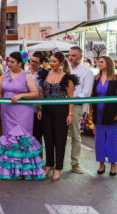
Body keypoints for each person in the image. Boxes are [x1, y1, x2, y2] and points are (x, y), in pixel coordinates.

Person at [0, 52, 44, 181]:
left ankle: (24, 170)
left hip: (22, 112)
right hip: (7, 112)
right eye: (8, 61)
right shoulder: (5, 74)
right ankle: (10, 170)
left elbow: (35, 93)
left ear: (20, 63)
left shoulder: (27, 76)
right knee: (9, 139)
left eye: (12, 62)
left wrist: (21, 95)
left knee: (21, 139)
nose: (9, 64)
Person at [38, 52, 77, 181]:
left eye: (55, 61)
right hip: (47, 110)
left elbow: (71, 97)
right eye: (51, 61)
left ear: (61, 63)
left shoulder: (67, 77)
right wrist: (40, 108)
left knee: (60, 140)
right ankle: (49, 165)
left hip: (61, 110)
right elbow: (42, 93)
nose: (52, 63)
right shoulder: (45, 74)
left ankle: (58, 167)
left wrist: (70, 114)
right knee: (48, 139)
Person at [89, 56, 117, 176]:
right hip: (98, 113)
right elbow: (91, 97)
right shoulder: (95, 78)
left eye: (101, 62)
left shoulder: (116, 79)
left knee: (113, 140)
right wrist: (90, 112)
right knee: (99, 140)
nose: (98, 63)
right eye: (98, 61)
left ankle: (113, 165)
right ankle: (101, 164)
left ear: (108, 64)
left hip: (112, 113)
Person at [67, 46, 94, 174]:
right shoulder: (65, 69)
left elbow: (86, 92)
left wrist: (74, 98)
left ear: (80, 57)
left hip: (76, 106)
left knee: (75, 135)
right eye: (69, 55)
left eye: (73, 55)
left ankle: (75, 163)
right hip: (61, 105)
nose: (70, 57)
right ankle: (56, 163)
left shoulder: (87, 72)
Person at [28, 52, 49, 150]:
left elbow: (43, 92)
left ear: (41, 63)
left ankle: (38, 160)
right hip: (25, 108)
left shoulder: (44, 73)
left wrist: (40, 109)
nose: (32, 63)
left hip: (37, 109)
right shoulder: (25, 71)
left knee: (37, 136)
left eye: (35, 62)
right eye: (31, 61)